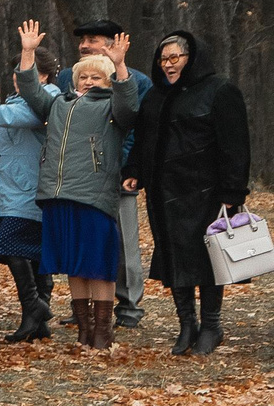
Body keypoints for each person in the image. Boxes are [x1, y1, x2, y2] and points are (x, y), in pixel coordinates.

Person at [13, 21, 138, 349]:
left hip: (94, 195)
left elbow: (130, 107)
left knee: (99, 264)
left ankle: (102, 329)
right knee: (74, 263)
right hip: (58, 193)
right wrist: (28, 53)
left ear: (107, 81)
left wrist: (121, 66)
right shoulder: (58, 104)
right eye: (83, 76)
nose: (88, 81)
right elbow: (30, 90)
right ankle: (83, 327)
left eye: (96, 76)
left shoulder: (112, 106)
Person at [130, 31, 252, 356]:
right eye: (163, 58)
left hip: (206, 193)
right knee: (173, 258)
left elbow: (236, 146)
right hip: (162, 194)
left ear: (191, 58)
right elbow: (143, 139)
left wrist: (232, 190)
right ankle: (187, 324)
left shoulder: (220, 91)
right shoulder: (155, 96)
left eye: (175, 58)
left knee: (210, 259)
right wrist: (133, 172)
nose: (168, 65)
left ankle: (211, 325)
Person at [73, 19, 154, 330]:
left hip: (118, 174)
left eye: (92, 40)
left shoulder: (137, 81)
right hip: (80, 179)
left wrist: (128, 166)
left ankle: (129, 306)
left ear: (113, 44)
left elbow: (137, 127)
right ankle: (84, 305)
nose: (84, 45)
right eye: (82, 40)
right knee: (83, 242)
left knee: (123, 245)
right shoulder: (73, 77)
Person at [0, 55, 55, 343]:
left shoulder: (47, 98)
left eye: (24, 73)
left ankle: (35, 307)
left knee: (13, 246)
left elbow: (24, 118)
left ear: (44, 76)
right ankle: (36, 319)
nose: (16, 77)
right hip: (7, 190)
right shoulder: (12, 101)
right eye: (15, 72)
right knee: (33, 253)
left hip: (28, 189)